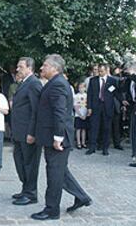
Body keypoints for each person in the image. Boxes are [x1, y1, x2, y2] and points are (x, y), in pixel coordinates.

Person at [31, 54, 92, 221]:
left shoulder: (57, 85)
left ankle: (52, 210)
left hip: (57, 138)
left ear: (54, 68)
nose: (41, 68)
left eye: (44, 65)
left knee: (54, 174)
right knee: (60, 171)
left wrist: (58, 138)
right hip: (54, 136)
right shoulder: (55, 83)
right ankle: (82, 197)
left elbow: (60, 113)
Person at [11, 57, 43, 206]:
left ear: (29, 68)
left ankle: (31, 194)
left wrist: (32, 133)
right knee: (20, 162)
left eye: (20, 67)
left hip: (27, 133)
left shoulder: (34, 83)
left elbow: (37, 111)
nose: (18, 69)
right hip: (19, 131)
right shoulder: (24, 83)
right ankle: (25, 189)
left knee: (30, 164)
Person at [86, 63, 120, 156]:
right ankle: (92, 147)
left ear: (106, 70)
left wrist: (123, 101)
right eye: (99, 71)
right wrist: (89, 107)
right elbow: (89, 94)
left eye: (101, 71)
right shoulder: (93, 80)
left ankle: (105, 148)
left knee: (107, 128)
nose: (99, 73)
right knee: (94, 127)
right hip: (95, 106)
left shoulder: (112, 81)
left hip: (107, 107)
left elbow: (116, 93)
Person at [74, 82, 88, 149]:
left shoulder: (87, 96)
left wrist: (85, 115)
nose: (81, 89)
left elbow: (88, 106)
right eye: (79, 88)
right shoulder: (76, 96)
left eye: (82, 87)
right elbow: (75, 107)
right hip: (78, 115)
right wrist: (80, 115)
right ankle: (78, 143)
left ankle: (83, 142)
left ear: (85, 88)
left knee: (84, 129)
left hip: (85, 114)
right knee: (78, 129)